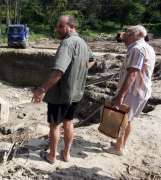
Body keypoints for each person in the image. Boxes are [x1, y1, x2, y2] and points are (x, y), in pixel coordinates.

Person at [31, 15, 96, 163]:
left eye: (61, 26)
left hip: (61, 94)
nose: (57, 29)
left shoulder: (67, 44)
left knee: (55, 126)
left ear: (72, 27)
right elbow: (93, 59)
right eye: (57, 26)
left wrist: (41, 89)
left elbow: (58, 71)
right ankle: (66, 154)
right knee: (69, 123)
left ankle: (52, 156)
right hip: (76, 93)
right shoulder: (82, 42)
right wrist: (81, 70)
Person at [103, 25, 156, 156]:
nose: (124, 37)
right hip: (140, 91)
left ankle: (118, 148)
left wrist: (120, 95)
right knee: (128, 119)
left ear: (139, 35)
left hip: (132, 91)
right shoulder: (148, 48)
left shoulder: (137, 49)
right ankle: (121, 144)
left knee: (121, 118)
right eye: (125, 34)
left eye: (128, 34)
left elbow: (132, 73)